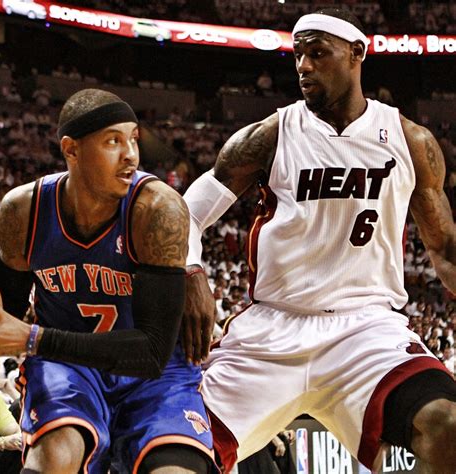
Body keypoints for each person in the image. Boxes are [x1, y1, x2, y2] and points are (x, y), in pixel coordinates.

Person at [182, 8, 456, 474]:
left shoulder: (410, 141)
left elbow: (445, 249)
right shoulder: (271, 135)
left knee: (447, 426)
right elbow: (186, 212)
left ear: (356, 53)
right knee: (177, 451)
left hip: (366, 331)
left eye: (317, 53)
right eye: (298, 55)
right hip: (273, 330)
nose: (303, 66)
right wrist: (190, 272)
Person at [0, 89, 216, 473]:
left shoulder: (157, 208)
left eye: (133, 140)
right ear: (71, 149)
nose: (131, 155)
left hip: (153, 375)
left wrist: (34, 339)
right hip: (67, 367)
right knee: (57, 453)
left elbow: (152, 352)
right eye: (113, 141)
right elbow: (2, 313)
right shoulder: (24, 211)